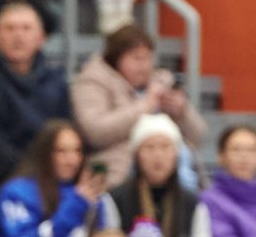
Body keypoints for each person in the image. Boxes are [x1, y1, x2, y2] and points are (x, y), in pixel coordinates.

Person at [71, 24, 207, 188]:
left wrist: (182, 111)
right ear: (116, 60)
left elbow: (199, 137)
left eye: (148, 58)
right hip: (119, 174)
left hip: (177, 175)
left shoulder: (159, 82)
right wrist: (144, 106)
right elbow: (95, 132)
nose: (144, 66)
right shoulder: (91, 82)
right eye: (136, 58)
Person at [0, 119, 115, 237]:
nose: (71, 159)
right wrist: (75, 207)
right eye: (61, 151)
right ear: (45, 153)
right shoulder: (17, 193)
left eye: (77, 151)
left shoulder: (93, 197)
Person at [0, 0, 71, 187]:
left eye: (26, 28)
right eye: (9, 28)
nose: (18, 35)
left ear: (41, 37)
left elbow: (66, 131)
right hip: (1, 182)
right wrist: (33, 170)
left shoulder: (56, 81)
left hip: (52, 177)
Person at [107, 113, 212, 237]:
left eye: (165, 147)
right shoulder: (116, 199)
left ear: (177, 154)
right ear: (136, 155)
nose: (158, 155)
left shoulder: (192, 203)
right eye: (149, 147)